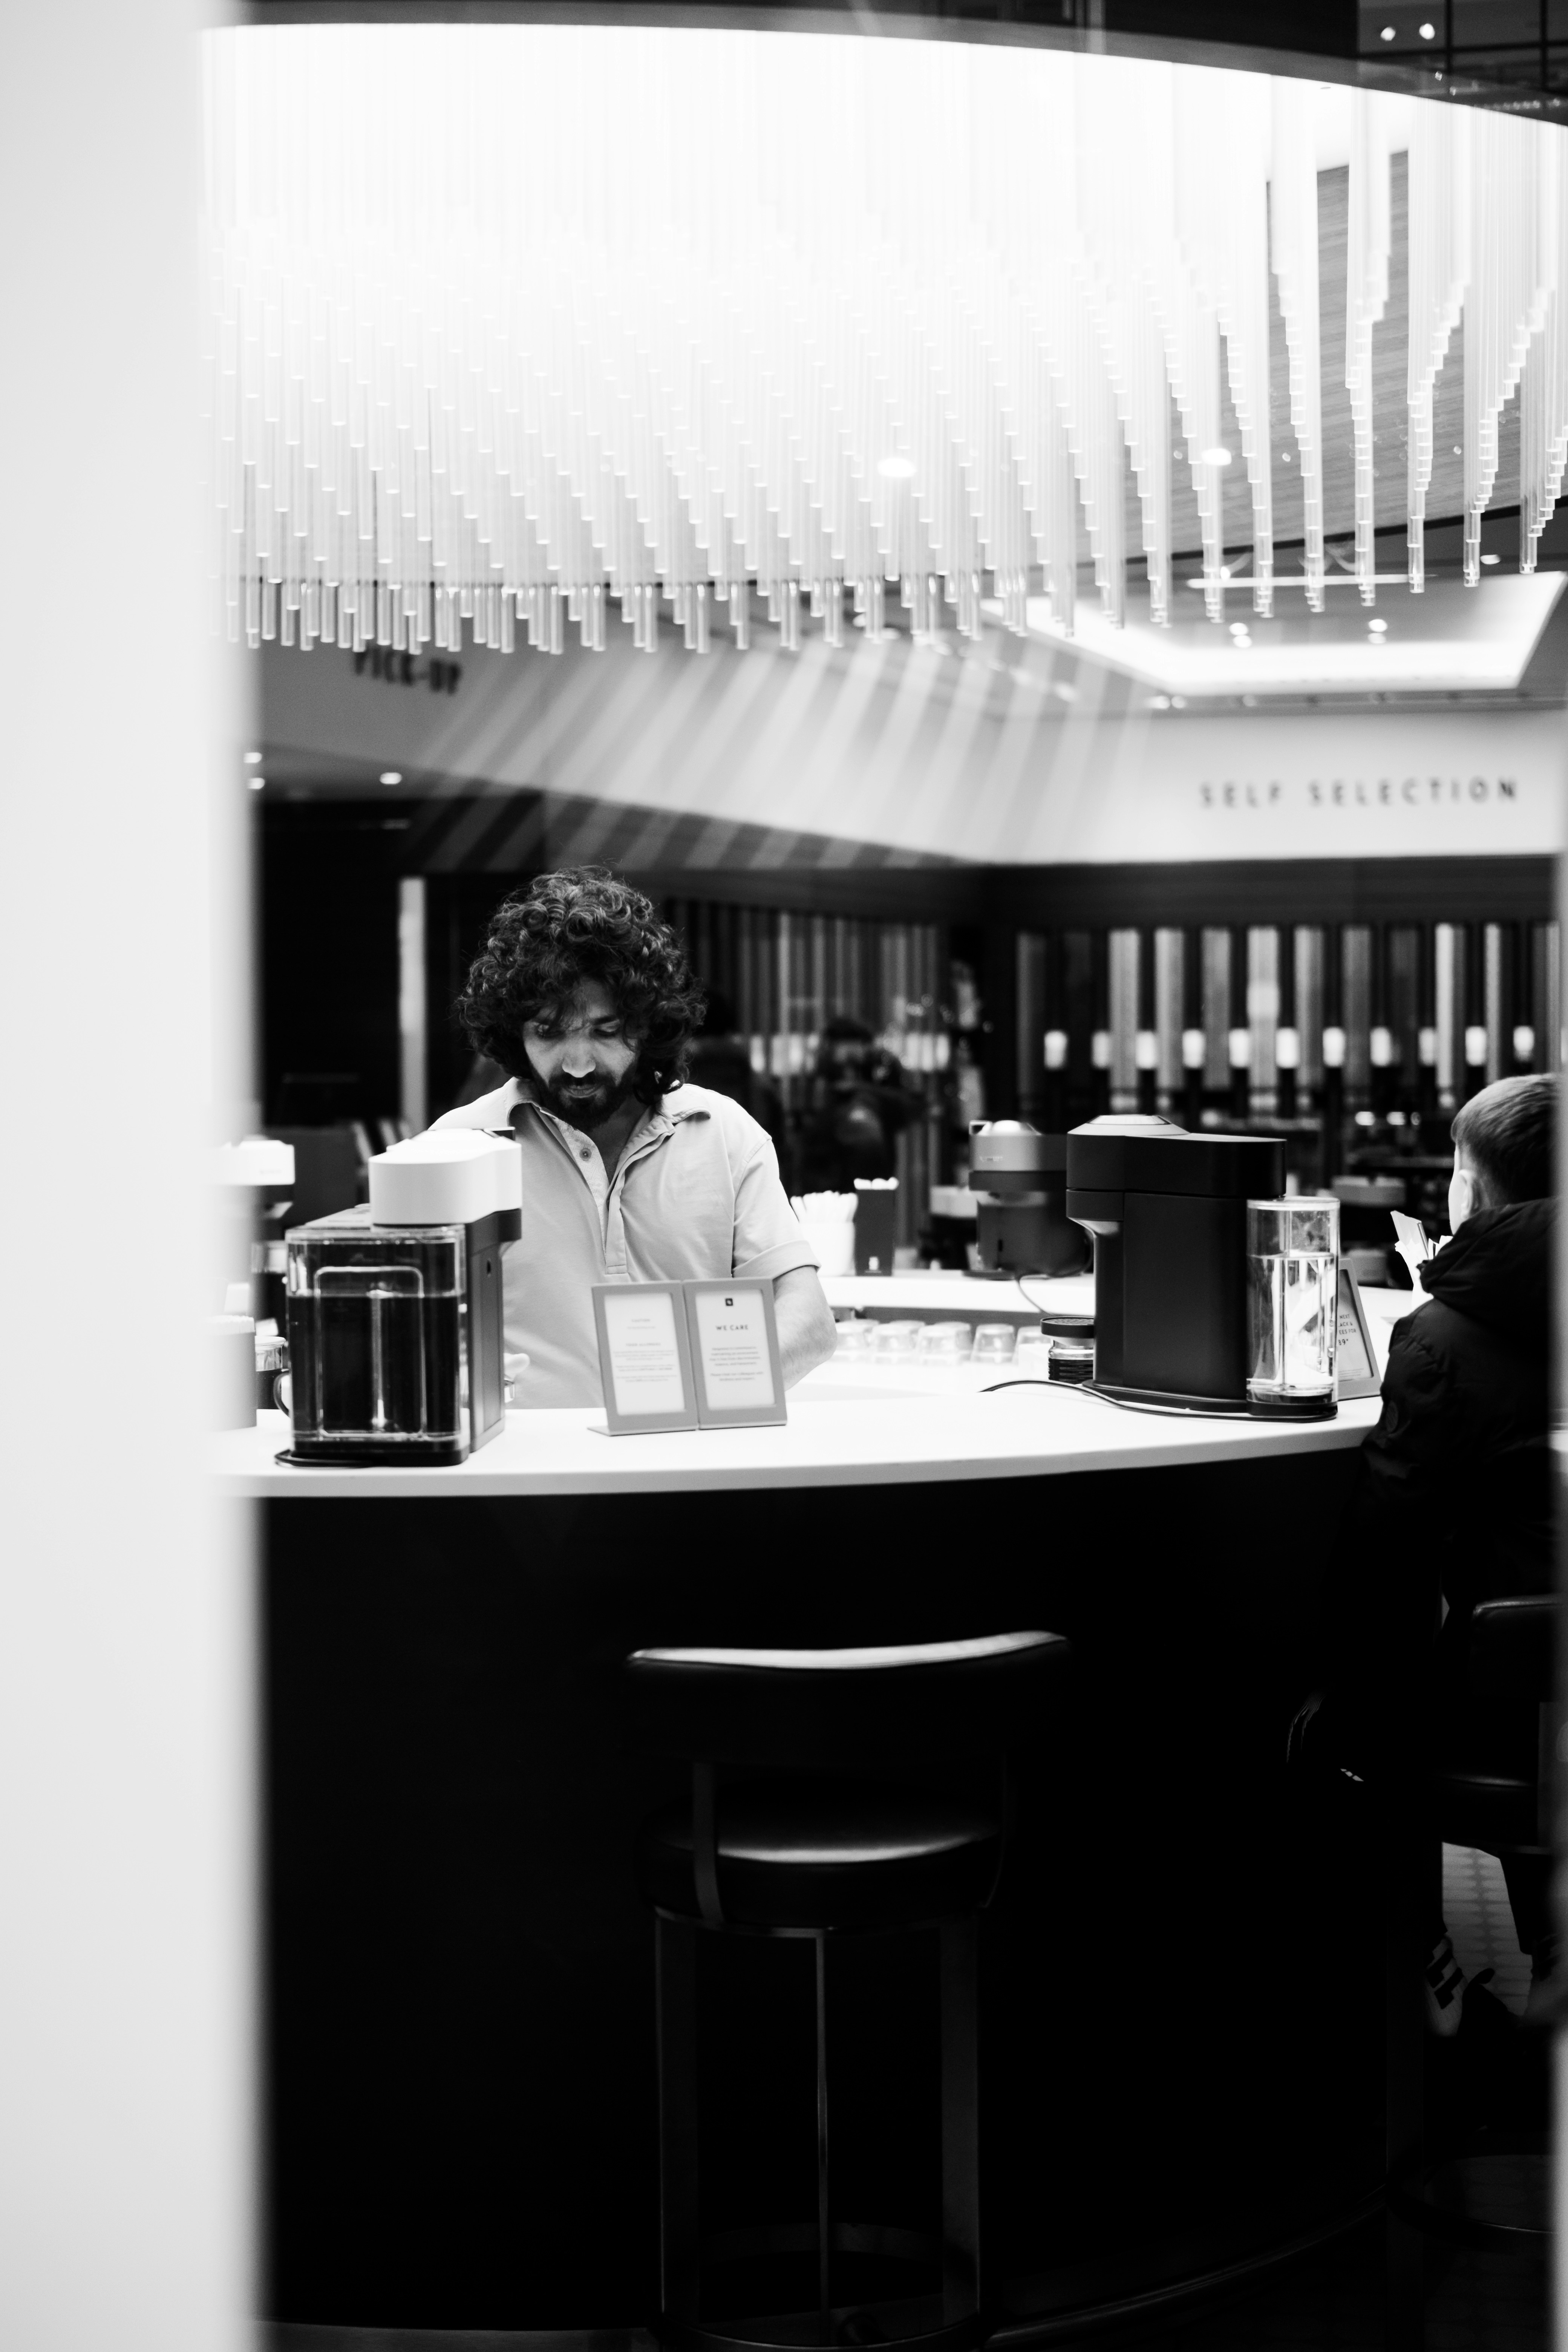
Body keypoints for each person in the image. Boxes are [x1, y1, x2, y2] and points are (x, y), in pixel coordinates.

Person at [1297, 1073, 1556, 2030]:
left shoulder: (1443, 1336)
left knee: (1350, 1721)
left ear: (1474, 1190)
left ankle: (1424, 1972)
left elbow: (1382, 1550)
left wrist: (1328, 1678)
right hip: (1549, 1700)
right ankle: (1548, 1950)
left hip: (1508, 1710)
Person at [431, 867, 837, 1407]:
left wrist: (698, 1401)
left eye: (605, 1031)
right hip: (524, 1475)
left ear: (648, 1026)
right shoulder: (457, 1147)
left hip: (693, 1470)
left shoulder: (724, 1134)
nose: (578, 1064)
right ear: (513, 1032)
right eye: (548, 1032)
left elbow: (808, 1320)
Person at [795, 1015, 917, 1195]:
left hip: (872, 1167)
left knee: (873, 1213)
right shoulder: (820, 1069)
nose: (849, 1054)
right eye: (843, 1046)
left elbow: (911, 1106)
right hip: (826, 1167)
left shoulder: (883, 1065)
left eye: (855, 1045)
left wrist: (863, 1092)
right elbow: (806, 1116)